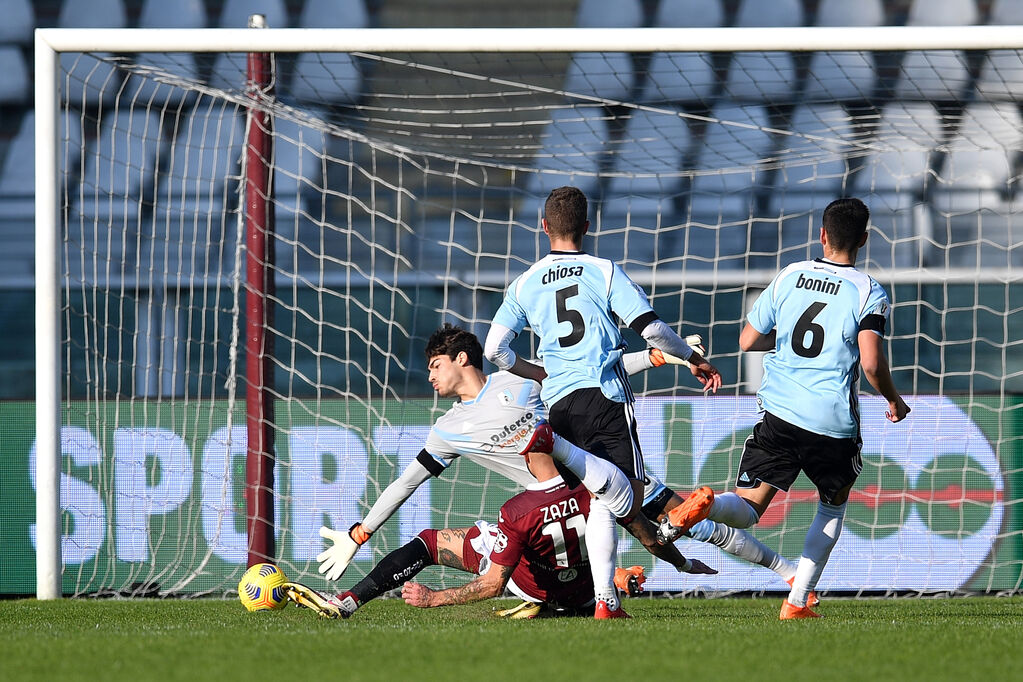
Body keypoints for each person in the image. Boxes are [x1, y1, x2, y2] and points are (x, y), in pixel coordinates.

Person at [317, 325, 797, 617]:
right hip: (556, 504)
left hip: (590, 473)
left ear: (462, 358)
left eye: (435, 364)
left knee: (691, 521)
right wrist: (359, 533)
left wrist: (663, 357)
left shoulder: (517, 380)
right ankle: (608, 588)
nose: (430, 375)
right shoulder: (448, 430)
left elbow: (592, 372)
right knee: (664, 529)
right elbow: (406, 482)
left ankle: (784, 570)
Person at [660, 197, 911, 620]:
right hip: (830, 422)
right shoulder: (868, 290)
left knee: (748, 509)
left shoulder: (790, 275)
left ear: (822, 235)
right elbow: (870, 363)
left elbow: (746, 341)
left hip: (778, 414)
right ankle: (797, 603)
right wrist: (893, 398)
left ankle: (708, 503)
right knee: (832, 505)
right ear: (865, 240)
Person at [483, 186, 724, 616]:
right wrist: (692, 357)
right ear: (587, 228)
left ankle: (605, 601)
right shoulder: (603, 271)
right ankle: (666, 533)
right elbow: (650, 330)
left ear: (544, 227)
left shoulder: (524, 283)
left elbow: (495, 350)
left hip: (559, 405)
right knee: (627, 500)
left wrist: (538, 371)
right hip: (606, 396)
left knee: (597, 500)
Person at [288, 449, 651, 620]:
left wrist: (435, 599)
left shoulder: (518, 509)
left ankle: (349, 600)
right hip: (587, 594)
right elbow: (639, 524)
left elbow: (493, 584)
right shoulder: (598, 487)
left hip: (526, 584)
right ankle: (592, 595)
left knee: (430, 543)